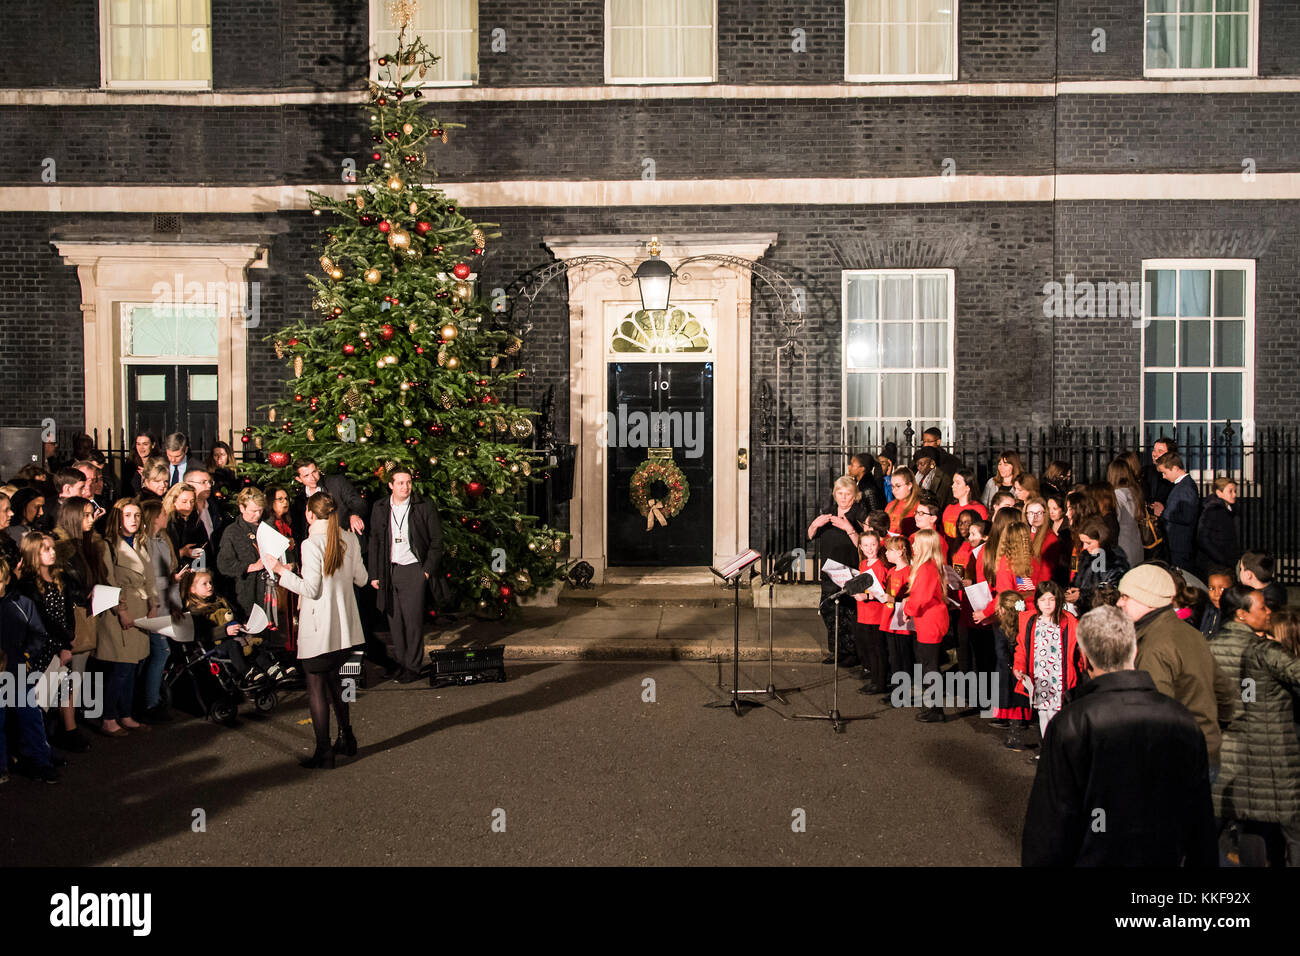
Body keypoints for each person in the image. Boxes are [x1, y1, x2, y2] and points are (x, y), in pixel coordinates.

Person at [1021, 605, 1217, 866]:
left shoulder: (1071, 723)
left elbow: (1050, 823)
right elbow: (1200, 819)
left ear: (1085, 657)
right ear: (1134, 650)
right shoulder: (1182, 719)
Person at [268, 492, 369, 770]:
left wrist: (280, 572)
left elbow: (311, 589)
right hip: (345, 628)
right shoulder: (349, 538)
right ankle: (346, 737)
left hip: (318, 626)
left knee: (316, 687)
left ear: (310, 515)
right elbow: (361, 578)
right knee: (336, 680)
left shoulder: (311, 544)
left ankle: (324, 750)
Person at [1209, 585, 1300, 866]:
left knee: (1243, 827)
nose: (1268, 611)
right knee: (1291, 833)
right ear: (1241, 614)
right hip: (1272, 754)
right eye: (1262, 607)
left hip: (1224, 754)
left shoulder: (1207, 647)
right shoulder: (1264, 650)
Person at [1117, 565, 1236, 770]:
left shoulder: (1154, 646)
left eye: (1126, 596)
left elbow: (1157, 717)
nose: (1119, 603)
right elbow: (1225, 693)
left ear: (1148, 599)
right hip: (1203, 749)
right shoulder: (1190, 633)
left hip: (1175, 759)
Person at [368, 466, 443, 683]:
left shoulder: (423, 506)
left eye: (408, 482)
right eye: (400, 483)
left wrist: (426, 572)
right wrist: (375, 573)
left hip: (413, 570)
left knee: (412, 621)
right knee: (395, 621)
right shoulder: (380, 507)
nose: (405, 487)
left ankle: (413, 665)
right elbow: (374, 541)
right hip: (389, 570)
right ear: (390, 485)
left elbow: (437, 542)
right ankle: (401, 662)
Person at [17, 532, 89, 753]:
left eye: (52, 547)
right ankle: (38, 743)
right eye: (45, 549)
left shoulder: (59, 577)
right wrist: (62, 644)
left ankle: (64, 733)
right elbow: (42, 619)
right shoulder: (28, 584)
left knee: (65, 686)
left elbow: (67, 610)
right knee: (41, 696)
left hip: (62, 642)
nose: (52, 552)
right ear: (32, 553)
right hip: (44, 647)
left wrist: (70, 637)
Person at [94, 499, 158, 737]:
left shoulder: (143, 543)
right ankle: (109, 718)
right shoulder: (108, 545)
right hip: (119, 610)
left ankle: (126, 714)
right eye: (128, 514)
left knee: (133, 666)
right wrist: (121, 611)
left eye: (138, 515)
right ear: (117, 517)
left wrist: (153, 604)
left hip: (141, 608)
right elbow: (109, 581)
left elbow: (150, 577)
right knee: (120, 667)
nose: (133, 519)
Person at [0, 559, 60, 783]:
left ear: (7, 580)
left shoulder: (21, 604)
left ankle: (40, 762)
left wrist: (26, 655)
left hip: (17, 672)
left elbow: (38, 633)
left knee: (30, 717)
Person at [807, 475, 868, 666]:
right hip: (829, 570)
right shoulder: (829, 512)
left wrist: (848, 527)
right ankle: (836, 650)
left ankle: (853, 652)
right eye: (840, 493)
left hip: (849, 569)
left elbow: (865, 545)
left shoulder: (859, 515)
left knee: (848, 612)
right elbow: (810, 536)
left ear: (855, 496)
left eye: (847, 494)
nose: (843, 497)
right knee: (828, 609)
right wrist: (815, 524)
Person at [1012, 581, 1085, 740]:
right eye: (1043, 600)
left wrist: (1078, 668)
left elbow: (1080, 648)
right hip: (1039, 676)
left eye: (1051, 600)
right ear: (1037, 601)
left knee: (1056, 714)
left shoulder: (1069, 622)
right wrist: (1019, 667)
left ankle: (1056, 750)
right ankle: (1047, 749)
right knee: (1043, 713)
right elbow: (1021, 648)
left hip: (1059, 677)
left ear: (1057, 601)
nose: (1047, 604)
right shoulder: (1030, 622)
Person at [140, 498, 183, 722]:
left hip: (165, 602)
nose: (167, 516)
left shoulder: (163, 539)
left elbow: (169, 573)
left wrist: (175, 602)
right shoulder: (145, 542)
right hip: (153, 604)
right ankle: (150, 702)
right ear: (155, 516)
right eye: (164, 514)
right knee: (160, 652)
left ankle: (151, 698)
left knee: (157, 653)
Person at [904, 529, 950, 723]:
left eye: (916, 543)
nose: (912, 546)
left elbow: (920, 597)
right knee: (928, 664)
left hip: (929, 621)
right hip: (929, 620)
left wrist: (908, 608)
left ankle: (935, 708)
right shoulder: (930, 566)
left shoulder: (926, 568)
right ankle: (932, 704)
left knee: (930, 666)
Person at [216, 487, 273, 621]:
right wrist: (251, 566)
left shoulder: (267, 527)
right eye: (253, 511)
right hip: (246, 593)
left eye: (260, 510)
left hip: (270, 591)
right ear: (242, 508)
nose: (258, 515)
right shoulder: (232, 532)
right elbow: (223, 565)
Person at [290, 458, 367, 542]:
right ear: (298, 479)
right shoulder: (300, 499)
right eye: (306, 476)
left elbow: (359, 503)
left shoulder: (337, 482)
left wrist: (354, 515)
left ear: (318, 469)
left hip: (346, 540)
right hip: (321, 546)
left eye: (314, 472)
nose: (312, 478)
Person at [1064, 517, 1129, 615]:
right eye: (1083, 542)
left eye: (1088, 543)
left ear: (1101, 540)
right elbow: (1079, 582)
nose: (1084, 547)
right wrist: (1073, 591)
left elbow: (1111, 596)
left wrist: (1081, 596)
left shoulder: (1115, 564)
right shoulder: (1086, 556)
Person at [852, 529, 890, 695]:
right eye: (866, 545)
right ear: (860, 547)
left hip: (876, 614)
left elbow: (881, 592)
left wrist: (865, 595)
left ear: (879, 545)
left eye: (873, 545)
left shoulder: (880, 566)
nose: (869, 548)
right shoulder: (863, 564)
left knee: (877, 649)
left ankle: (880, 682)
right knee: (869, 649)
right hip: (864, 613)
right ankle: (874, 680)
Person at [263, 485, 299, 650]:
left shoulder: (285, 521)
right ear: (271, 502)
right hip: (278, 577)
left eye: (286, 498)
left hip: (289, 573)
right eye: (280, 499)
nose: (285, 502)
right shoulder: (270, 524)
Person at [879, 534, 914, 697]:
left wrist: (894, 598)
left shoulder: (908, 572)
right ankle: (896, 688)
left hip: (901, 619)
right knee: (893, 653)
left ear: (900, 552)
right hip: (889, 616)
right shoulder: (892, 570)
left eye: (889, 550)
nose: (886, 553)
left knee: (903, 654)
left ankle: (903, 690)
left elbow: (910, 597)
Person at [1154, 451, 1200, 570]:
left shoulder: (1186, 487)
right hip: (1176, 544)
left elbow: (1187, 516)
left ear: (1174, 468)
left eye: (1164, 472)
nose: (1163, 476)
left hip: (1181, 545)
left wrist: (1163, 512)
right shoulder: (1182, 486)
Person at [1197, 477, 1241, 580]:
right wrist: (1222, 559)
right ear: (1219, 493)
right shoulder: (1212, 510)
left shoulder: (1229, 509)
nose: (1234, 494)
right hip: (1215, 563)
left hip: (1225, 561)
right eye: (1230, 491)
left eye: (1235, 491)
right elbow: (1203, 538)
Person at [1105, 459, 1146, 568]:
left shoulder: (1117, 495)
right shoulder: (1135, 491)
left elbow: (1115, 520)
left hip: (1122, 547)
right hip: (1137, 545)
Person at [942, 467, 986, 552]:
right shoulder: (949, 508)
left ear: (967, 487)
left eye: (957, 483)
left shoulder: (979, 509)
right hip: (950, 554)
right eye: (953, 482)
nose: (953, 486)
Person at [162, 482, 203, 572]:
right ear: (174, 501)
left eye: (192, 502)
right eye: (184, 501)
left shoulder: (195, 520)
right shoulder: (167, 523)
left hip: (193, 570)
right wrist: (183, 552)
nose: (189, 506)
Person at [1140, 435, 1177, 511]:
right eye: (1154, 450)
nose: (1154, 454)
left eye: (1160, 451)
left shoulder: (1175, 475)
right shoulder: (1145, 471)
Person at [884, 466, 920, 536]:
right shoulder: (890, 505)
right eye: (892, 486)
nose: (894, 490)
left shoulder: (919, 506)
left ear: (909, 485)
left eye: (898, 486)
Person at [1200, 567, 1233, 639]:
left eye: (1222, 589)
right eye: (1212, 588)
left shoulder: (1235, 617)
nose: (1216, 594)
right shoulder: (1207, 611)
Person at [127, 432, 158, 496]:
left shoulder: (158, 463)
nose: (141, 448)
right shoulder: (130, 463)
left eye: (145, 444)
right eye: (138, 444)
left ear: (153, 445)